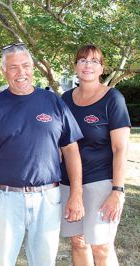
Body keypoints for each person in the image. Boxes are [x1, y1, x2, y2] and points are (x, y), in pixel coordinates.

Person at [0, 43, 85, 266]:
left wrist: (76, 194)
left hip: (48, 198)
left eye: (25, 65)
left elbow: (71, 151)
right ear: (4, 71)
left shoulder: (53, 103)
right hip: (4, 200)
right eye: (13, 67)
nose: (21, 73)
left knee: (44, 262)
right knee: (0, 262)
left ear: (33, 67)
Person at [60, 44, 131, 266]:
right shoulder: (65, 99)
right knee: (78, 242)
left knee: (102, 246)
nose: (87, 65)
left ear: (102, 68)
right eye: (82, 60)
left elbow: (120, 149)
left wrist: (117, 191)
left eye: (93, 61)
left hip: (100, 184)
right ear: (75, 67)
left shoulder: (113, 99)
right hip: (69, 184)